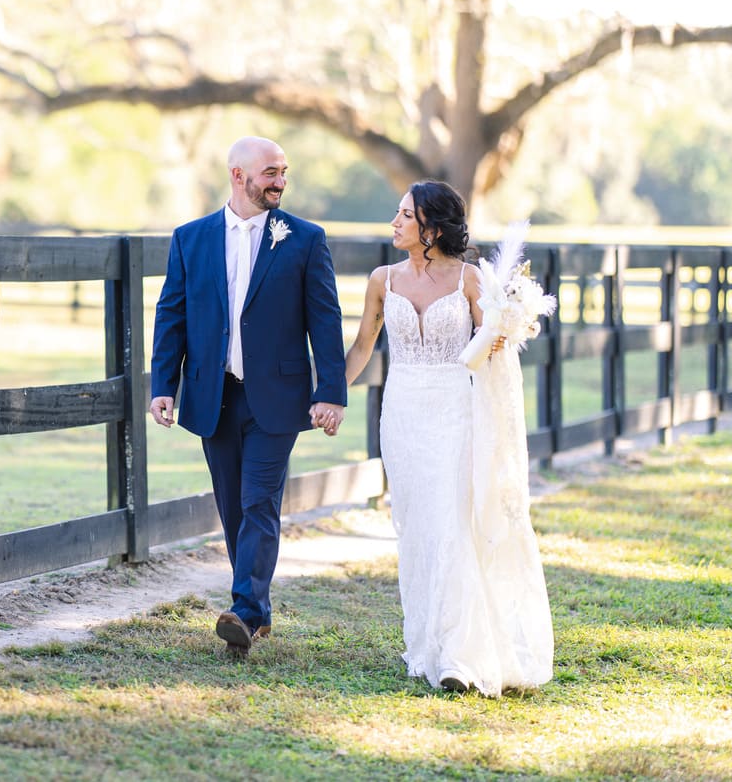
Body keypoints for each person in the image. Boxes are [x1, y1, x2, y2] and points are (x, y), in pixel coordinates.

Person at [343, 180, 554, 696]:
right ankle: (429, 644)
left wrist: (502, 334)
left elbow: (491, 349)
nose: (395, 223)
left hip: (455, 413)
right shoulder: (381, 280)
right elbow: (362, 345)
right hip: (402, 414)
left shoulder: (470, 281)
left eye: (405, 216)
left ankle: (460, 657)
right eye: (396, 214)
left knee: (452, 522)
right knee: (417, 526)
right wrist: (325, 395)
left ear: (432, 229)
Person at [149, 136, 347, 657]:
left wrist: (331, 392)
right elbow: (172, 313)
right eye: (270, 172)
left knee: (260, 501)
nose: (279, 181)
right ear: (239, 176)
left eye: (284, 171)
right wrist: (162, 386)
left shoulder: (304, 239)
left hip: (277, 397)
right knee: (233, 505)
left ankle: (243, 610)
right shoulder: (190, 239)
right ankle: (255, 610)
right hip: (213, 394)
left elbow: (325, 319)